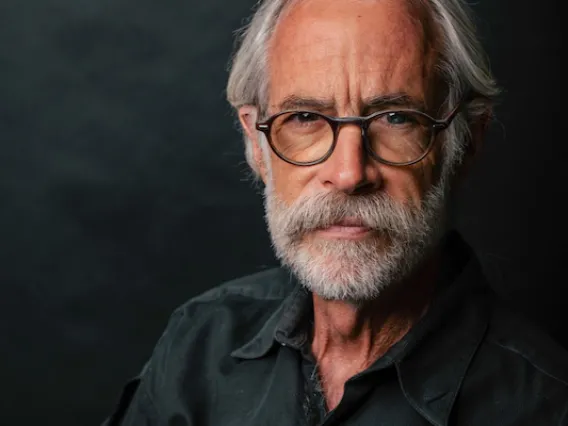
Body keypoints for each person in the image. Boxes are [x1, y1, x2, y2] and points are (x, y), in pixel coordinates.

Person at [103, 0, 568, 424]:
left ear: (464, 144)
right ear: (256, 144)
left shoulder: (544, 404)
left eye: (396, 117)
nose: (349, 173)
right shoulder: (199, 345)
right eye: (304, 117)